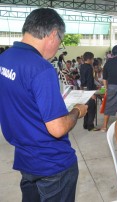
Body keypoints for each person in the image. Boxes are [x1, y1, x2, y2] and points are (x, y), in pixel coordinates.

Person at [0, 8, 88, 202]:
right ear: (53, 34)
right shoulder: (41, 68)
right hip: (52, 163)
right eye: (60, 41)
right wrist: (77, 111)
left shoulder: (4, 59)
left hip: (25, 157)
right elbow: (57, 129)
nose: (58, 47)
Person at [80, 51, 97, 131]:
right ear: (90, 59)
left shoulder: (82, 66)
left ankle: (85, 124)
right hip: (89, 89)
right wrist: (92, 93)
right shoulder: (89, 67)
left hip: (83, 88)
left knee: (86, 107)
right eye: (92, 59)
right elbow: (90, 81)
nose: (93, 60)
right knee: (91, 108)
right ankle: (90, 125)